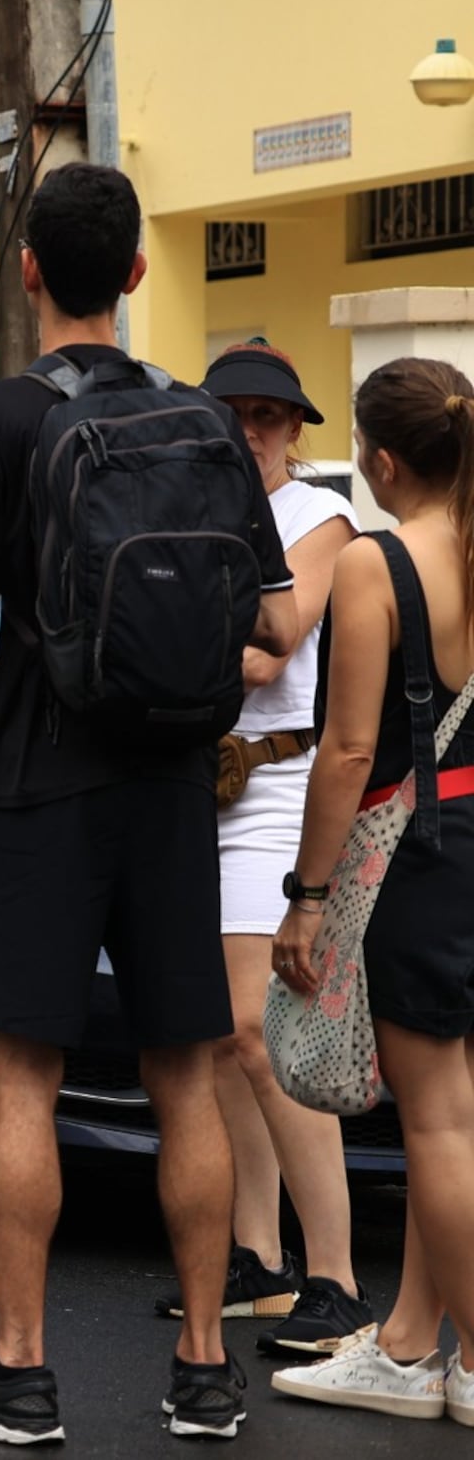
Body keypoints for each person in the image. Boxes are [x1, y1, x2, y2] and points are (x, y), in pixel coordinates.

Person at [0, 163, 300, 1444]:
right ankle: (202, 1369)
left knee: (24, 1074)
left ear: (29, 272)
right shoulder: (201, 421)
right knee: (185, 1072)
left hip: (42, 777)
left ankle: (17, 1372)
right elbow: (276, 617)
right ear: (135, 275)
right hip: (176, 785)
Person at [269, 357, 474, 1423]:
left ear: (384, 460)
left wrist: (307, 895)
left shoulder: (373, 563)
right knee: (464, 1118)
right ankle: (404, 1344)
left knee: (436, 1128)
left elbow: (348, 751)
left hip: (418, 856)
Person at [184, 341, 367, 1353]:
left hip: (282, 782)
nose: (249, 429)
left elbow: (276, 640)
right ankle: (256, 1259)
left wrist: (172, 613)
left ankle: (334, 1278)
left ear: (297, 428)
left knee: (264, 1036)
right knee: (213, 1034)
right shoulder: (203, 504)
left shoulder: (316, 513)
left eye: (267, 414)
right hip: (204, 781)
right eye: (233, 412)